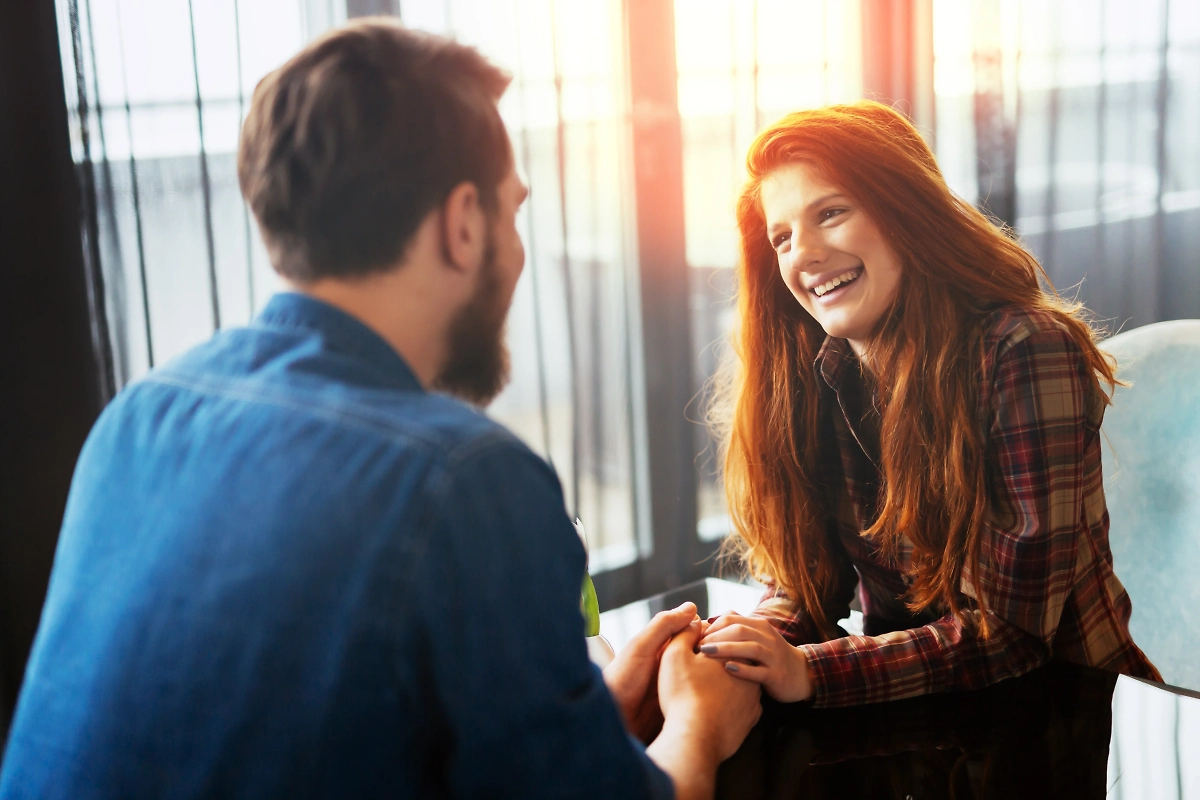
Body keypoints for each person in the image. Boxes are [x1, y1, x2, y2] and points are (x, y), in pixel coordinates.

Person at [0, 20, 760, 800]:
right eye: (511, 210)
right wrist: (698, 724)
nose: (516, 244)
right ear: (463, 224)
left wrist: (590, 711)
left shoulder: (137, 420)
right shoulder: (465, 477)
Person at [697, 101, 1161, 708]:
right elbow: (804, 584)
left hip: (1059, 720)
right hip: (909, 718)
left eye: (830, 213)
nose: (803, 255)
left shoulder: (1025, 350)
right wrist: (754, 644)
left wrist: (811, 671)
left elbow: (1014, 636)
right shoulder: (817, 372)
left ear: (906, 212)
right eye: (781, 239)